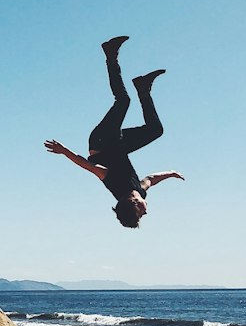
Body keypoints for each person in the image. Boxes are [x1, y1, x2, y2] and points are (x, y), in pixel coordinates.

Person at [44, 36, 184, 228]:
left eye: (142, 213)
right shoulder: (139, 192)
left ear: (134, 205)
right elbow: (151, 179)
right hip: (118, 145)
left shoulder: (115, 185)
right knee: (155, 130)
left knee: (123, 101)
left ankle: (110, 54)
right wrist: (171, 173)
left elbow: (86, 165)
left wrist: (63, 150)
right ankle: (143, 88)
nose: (147, 211)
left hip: (101, 142)